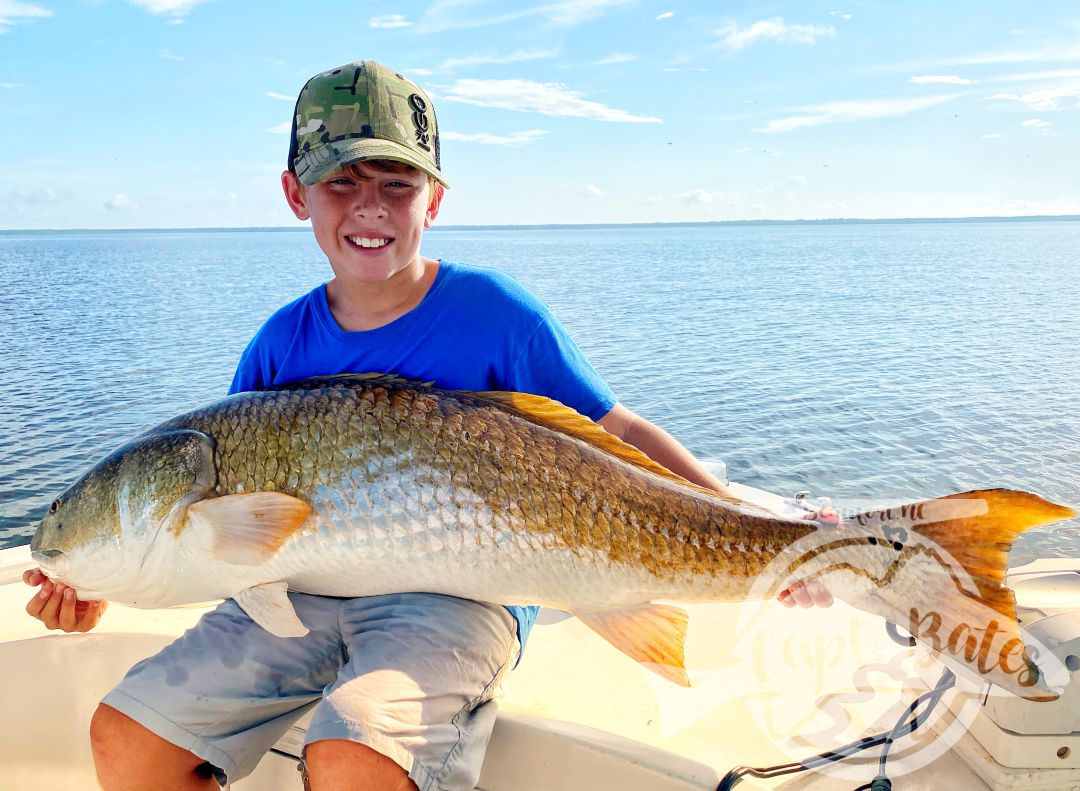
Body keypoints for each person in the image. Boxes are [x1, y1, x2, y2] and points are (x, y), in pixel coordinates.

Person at [23, 59, 825, 791]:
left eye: (398, 183)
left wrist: (761, 529)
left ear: (434, 199)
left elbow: (615, 430)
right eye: (341, 182)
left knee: (353, 755)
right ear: (295, 194)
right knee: (126, 737)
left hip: (462, 595)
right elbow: (219, 553)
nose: (370, 206)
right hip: (298, 600)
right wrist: (97, 580)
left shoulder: (496, 314)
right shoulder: (277, 344)